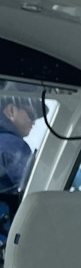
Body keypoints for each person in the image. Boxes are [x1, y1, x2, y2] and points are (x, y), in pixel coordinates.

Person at [0, 87, 41, 247]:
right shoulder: (12, 144)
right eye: (31, 114)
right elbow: (37, 188)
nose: (34, 122)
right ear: (11, 110)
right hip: (8, 241)